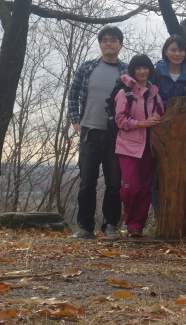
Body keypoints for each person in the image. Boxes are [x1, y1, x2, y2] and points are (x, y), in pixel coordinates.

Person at [67, 26, 127, 239]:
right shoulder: (87, 67)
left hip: (116, 135)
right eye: (105, 40)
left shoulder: (126, 71)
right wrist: (75, 120)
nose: (109, 43)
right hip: (89, 133)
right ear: (100, 44)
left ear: (121, 44)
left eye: (113, 40)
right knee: (87, 182)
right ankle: (85, 227)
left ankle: (110, 225)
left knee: (114, 183)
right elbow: (73, 93)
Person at [114, 55, 164, 237]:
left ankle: (136, 227)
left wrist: (157, 119)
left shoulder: (154, 94)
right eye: (138, 68)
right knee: (130, 188)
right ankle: (130, 221)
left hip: (150, 149)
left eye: (145, 68)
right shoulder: (124, 93)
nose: (142, 71)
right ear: (132, 71)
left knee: (144, 190)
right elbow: (120, 120)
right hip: (129, 148)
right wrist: (143, 123)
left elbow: (161, 117)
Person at [150, 35, 186, 214]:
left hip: (181, 129)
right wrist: (171, 106)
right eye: (173, 49)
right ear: (165, 51)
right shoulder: (156, 72)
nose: (177, 54)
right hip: (158, 127)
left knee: (178, 171)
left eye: (181, 50)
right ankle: (159, 214)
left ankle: (178, 213)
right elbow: (149, 98)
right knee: (156, 174)